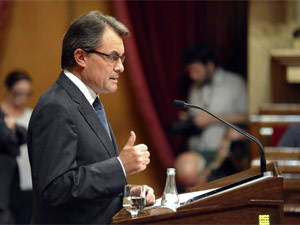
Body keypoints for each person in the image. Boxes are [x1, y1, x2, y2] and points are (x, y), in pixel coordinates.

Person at [27, 11, 155, 224]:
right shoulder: (56, 107)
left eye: (122, 58)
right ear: (81, 57)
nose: (121, 67)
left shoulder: (89, 103)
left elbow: (87, 185)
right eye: (113, 56)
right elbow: (54, 189)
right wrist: (120, 167)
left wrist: (127, 194)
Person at [177, 44, 247, 166]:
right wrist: (188, 119)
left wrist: (213, 119)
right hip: (195, 151)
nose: (193, 76)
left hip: (223, 154)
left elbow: (248, 117)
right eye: (190, 72)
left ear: (210, 65)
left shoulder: (234, 83)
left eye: (197, 71)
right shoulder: (194, 87)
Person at [0, 70, 33, 224]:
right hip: (5, 179)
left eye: (27, 94)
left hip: (29, 181)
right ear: (7, 89)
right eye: (18, 93)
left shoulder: (31, 115)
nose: (22, 98)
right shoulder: (1, 116)